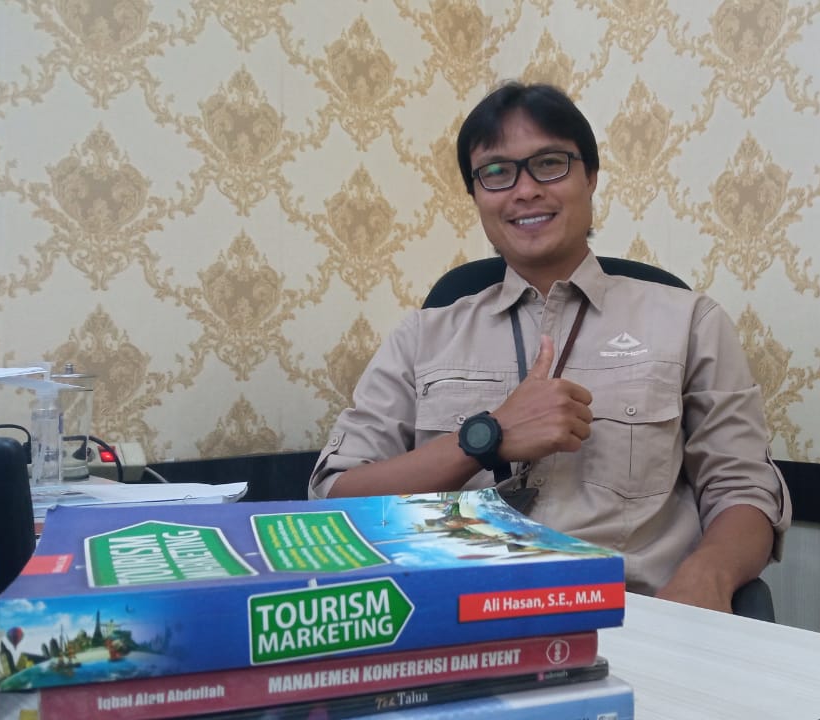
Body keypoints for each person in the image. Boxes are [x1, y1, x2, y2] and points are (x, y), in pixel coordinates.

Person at [310, 82, 791, 613]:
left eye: (549, 164)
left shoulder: (690, 322)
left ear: (591, 177)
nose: (525, 190)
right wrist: (486, 438)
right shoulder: (422, 336)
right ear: (476, 196)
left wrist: (708, 575)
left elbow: (745, 491)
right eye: (496, 172)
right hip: (453, 618)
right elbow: (334, 497)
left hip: (632, 619)